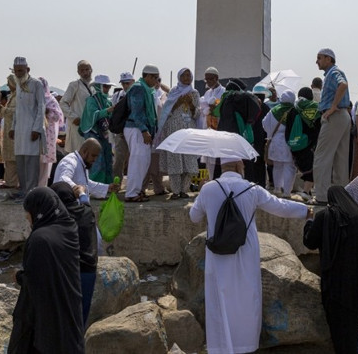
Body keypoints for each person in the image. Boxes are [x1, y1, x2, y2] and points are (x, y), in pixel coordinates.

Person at [189, 157, 310, 354]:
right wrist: (306, 211)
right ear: (239, 165)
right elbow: (280, 207)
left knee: (219, 297)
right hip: (245, 250)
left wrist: (201, 193)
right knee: (246, 296)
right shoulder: (252, 189)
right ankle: (245, 346)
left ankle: (221, 347)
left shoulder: (208, 189)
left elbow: (194, 217)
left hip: (217, 252)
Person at [8, 187, 85, 354]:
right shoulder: (69, 228)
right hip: (69, 308)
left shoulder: (39, 239)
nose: (27, 218)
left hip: (47, 319)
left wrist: (19, 276)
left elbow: (36, 285)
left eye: (28, 213)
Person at [303, 186, 358, 354]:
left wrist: (309, 221)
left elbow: (309, 242)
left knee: (341, 327)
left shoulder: (324, 216)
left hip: (337, 285)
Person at [50, 182, 98, 324]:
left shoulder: (57, 217)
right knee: (82, 313)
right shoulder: (86, 212)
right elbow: (86, 204)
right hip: (88, 270)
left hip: (67, 271)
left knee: (63, 314)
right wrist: (82, 193)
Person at [312, 48, 351, 204]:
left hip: (334, 116)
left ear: (328, 59)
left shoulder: (333, 72)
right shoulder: (333, 73)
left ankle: (321, 196)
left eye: (319, 58)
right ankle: (340, 197)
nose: (317, 61)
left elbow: (343, 85)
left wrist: (333, 107)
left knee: (322, 157)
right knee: (340, 160)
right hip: (343, 116)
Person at [156, 68, 200, 199]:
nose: (186, 78)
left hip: (188, 129)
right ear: (179, 77)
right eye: (184, 75)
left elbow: (197, 114)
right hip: (173, 128)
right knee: (175, 159)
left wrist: (190, 104)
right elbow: (166, 111)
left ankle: (184, 189)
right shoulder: (174, 92)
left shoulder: (194, 93)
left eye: (188, 75)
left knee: (188, 159)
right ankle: (175, 191)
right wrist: (178, 102)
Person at [10, 57, 46, 197]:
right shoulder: (18, 84)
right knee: (20, 162)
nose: (18, 73)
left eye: (21, 70)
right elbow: (17, 109)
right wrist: (13, 127)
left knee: (31, 162)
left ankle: (31, 193)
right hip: (19, 130)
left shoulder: (36, 84)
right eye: (16, 71)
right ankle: (23, 191)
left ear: (27, 69)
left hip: (31, 130)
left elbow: (41, 107)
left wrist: (37, 128)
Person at [124, 65, 159, 202]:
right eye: (155, 78)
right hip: (137, 128)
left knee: (143, 162)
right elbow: (136, 112)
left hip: (141, 129)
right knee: (137, 162)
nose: (156, 81)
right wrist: (144, 130)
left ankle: (137, 191)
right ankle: (132, 193)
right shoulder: (138, 88)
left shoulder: (146, 89)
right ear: (148, 76)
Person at [54, 138, 119, 201]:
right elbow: (63, 179)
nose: (95, 160)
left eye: (96, 157)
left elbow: (86, 184)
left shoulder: (82, 162)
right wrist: (77, 189)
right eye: (93, 156)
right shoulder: (70, 161)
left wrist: (107, 188)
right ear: (84, 151)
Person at [78, 74, 115, 184]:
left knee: (108, 158)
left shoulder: (107, 101)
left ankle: (107, 184)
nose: (108, 89)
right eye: (105, 86)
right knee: (97, 159)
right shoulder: (91, 100)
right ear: (99, 86)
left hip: (104, 134)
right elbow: (93, 115)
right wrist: (107, 111)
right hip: (93, 133)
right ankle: (95, 185)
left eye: (109, 87)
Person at [263, 91, 298, 198]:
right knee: (289, 167)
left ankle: (277, 189)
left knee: (277, 166)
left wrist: (270, 134)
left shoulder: (273, 110)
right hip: (290, 141)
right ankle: (287, 192)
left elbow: (264, 123)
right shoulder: (295, 111)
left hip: (276, 141)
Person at [60, 60, 95, 154]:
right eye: (82, 70)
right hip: (78, 125)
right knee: (78, 153)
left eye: (87, 69)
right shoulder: (74, 85)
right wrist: (73, 117)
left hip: (93, 126)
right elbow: (63, 103)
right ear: (78, 72)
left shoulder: (96, 86)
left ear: (91, 70)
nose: (85, 73)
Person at [38, 77, 63, 187]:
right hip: (34, 134)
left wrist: (47, 111)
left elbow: (57, 116)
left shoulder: (51, 100)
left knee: (44, 162)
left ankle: (41, 186)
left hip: (47, 134)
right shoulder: (32, 99)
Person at [109, 72, 134, 180]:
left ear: (133, 82)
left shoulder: (138, 95)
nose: (125, 86)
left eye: (127, 83)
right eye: (123, 83)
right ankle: (116, 183)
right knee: (119, 160)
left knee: (134, 160)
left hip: (134, 132)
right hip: (120, 133)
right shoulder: (117, 96)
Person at [1, 74, 19, 189]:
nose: (8, 85)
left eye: (9, 83)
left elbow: (17, 111)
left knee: (14, 157)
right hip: (8, 129)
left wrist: (4, 109)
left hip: (15, 130)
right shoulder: (12, 96)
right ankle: (8, 181)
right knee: (9, 157)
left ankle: (12, 182)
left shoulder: (19, 97)